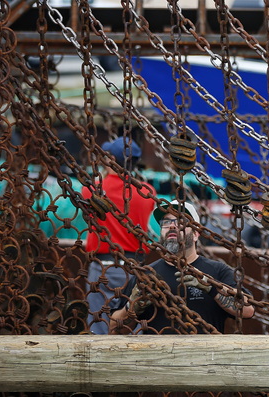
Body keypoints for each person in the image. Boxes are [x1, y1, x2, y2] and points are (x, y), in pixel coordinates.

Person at [108, 199, 255, 334]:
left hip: (205, 358)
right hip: (157, 359)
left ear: (196, 234)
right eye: (166, 222)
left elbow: (248, 311)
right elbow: (115, 331)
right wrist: (132, 307)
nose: (172, 225)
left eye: (181, 221)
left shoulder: (217, 271)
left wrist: (212, 288)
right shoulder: (146, 275)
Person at [83, 136, 156, 334]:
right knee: (133, 323)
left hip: (103, 268)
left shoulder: (92, 190)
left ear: (109, 159)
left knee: (98, 326)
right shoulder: (147, 192)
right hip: (135, 268)